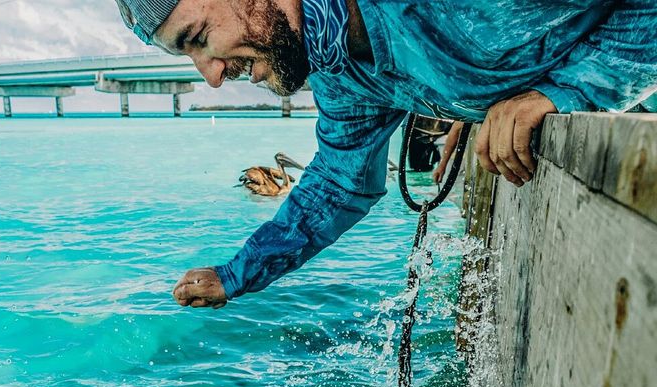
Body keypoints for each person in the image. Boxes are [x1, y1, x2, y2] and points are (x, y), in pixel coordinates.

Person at [114, 0, 657, 309]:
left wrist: (564, 93)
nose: (209, 76)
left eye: (200, 37)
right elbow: (338, 183)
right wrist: (236, 275)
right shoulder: (342, 72)